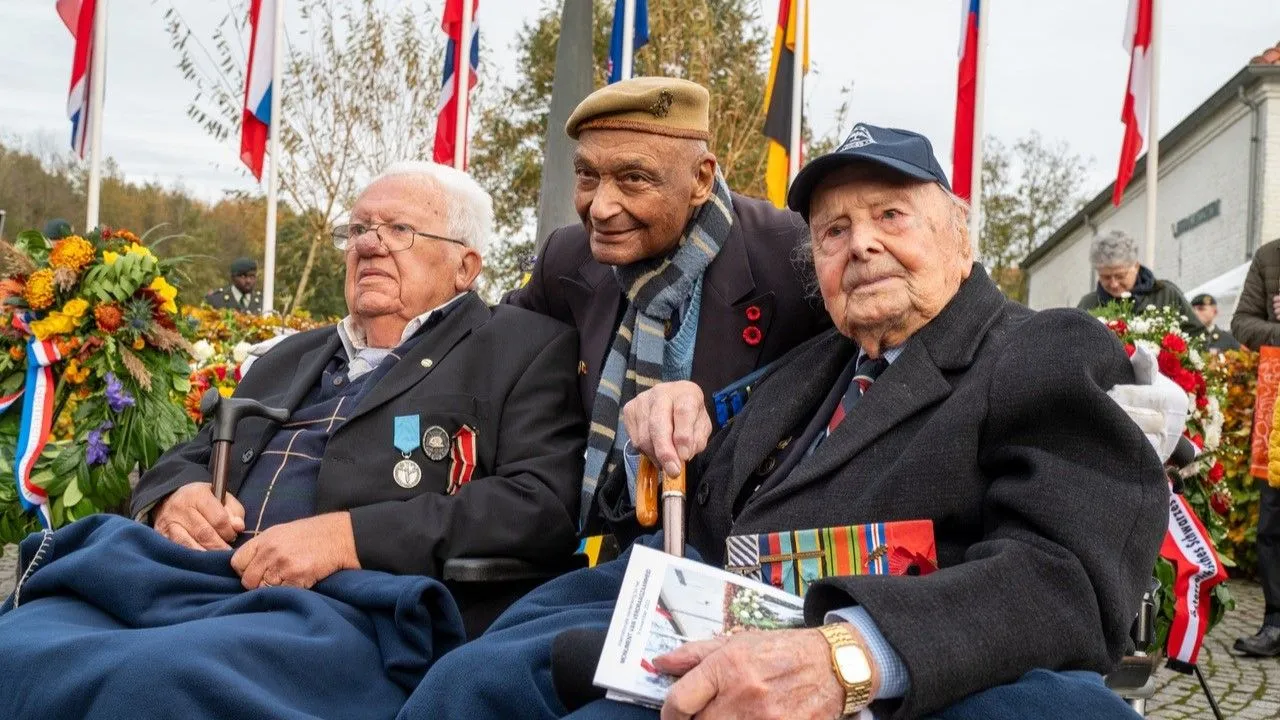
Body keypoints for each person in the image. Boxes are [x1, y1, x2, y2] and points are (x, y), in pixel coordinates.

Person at [409, 124, 1172, 720]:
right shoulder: (812, 366)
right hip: (695, 634)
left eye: (891, 216)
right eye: (833, 231)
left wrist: (848, 657)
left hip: (881, 676)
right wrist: (666, 421)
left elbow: (1069, 575)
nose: (861, 243)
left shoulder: (1039, 347)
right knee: (473, 678)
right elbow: (686, 508)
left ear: (960, 240)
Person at [0, 162, 587, 718]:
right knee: (21, 644)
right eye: (358, 229)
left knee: (150, 681)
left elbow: (539, 506)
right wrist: (175, 496)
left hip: (351, 608)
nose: (368, 243)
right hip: (197, 579)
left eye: (399, 229)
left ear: (465, 266)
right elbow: (191, 452)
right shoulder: (292, 354)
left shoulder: (522, 348)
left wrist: (347, 538)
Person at [504, 76, 829, 530]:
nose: (600, 207)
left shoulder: (796, 254)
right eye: (587, 176)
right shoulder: (566, 258)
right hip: (597, 544)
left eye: (633, 178)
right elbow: (504, 358)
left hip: (736, 545)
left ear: (700, 179)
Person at [1229, 237, 1280, 657]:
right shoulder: (1269, 257)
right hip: (1277, 411)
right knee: (1272, 524)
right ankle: (1275, 621)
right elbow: (1242, 323)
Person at [1077, 230, 1201, 336]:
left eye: (1120, 276)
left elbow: (1197, 334)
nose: (1114, 284)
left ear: (1135, 266)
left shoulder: (1166, 294)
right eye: (1105, 277)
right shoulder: (1087, 305)